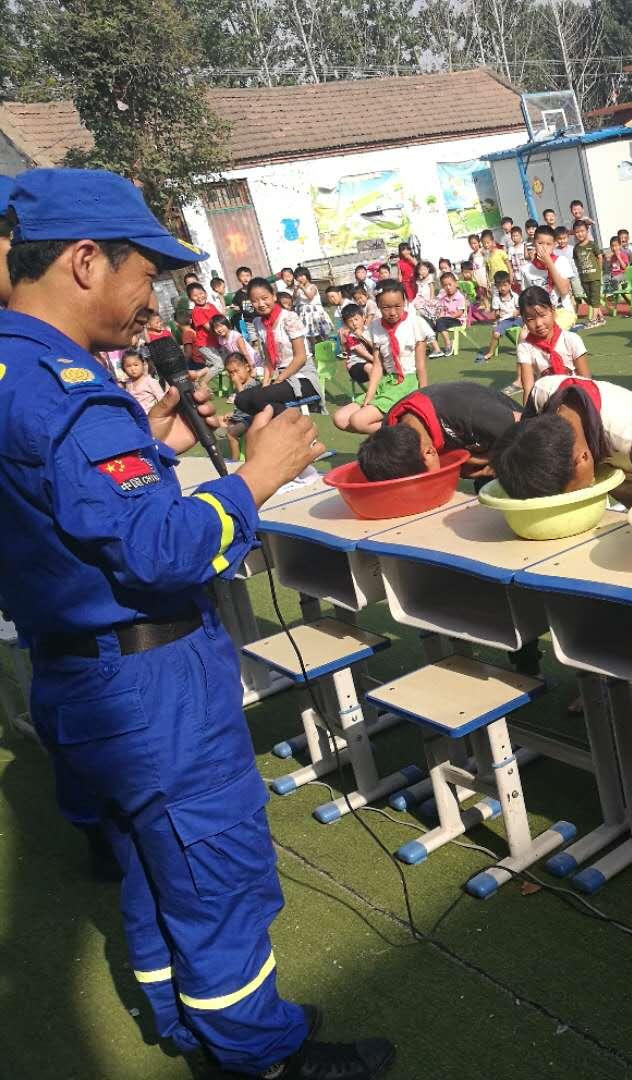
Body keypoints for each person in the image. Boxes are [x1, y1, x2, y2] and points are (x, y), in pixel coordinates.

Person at [0, 167, 388, 1077]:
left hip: (79, 672)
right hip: (147, 685)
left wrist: (158, 445)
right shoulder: (64, 389)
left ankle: (187, 1023)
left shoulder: (17, 371)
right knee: (216, 877)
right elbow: (162, 552)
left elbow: (67, 511)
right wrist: (256, 476)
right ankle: (262, 1054)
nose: (154, 301)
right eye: (146, 275)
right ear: (86, 262)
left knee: (151, 861)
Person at [490, 375, 632, 508]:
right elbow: (524, 445)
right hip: (622, 473)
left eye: (569, 493)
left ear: (583, 458)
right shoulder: (542, 394)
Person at [356, 382, 519, 482]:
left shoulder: (470, 413)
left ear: (429, 452)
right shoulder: (391, 428)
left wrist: (500, 462)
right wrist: (470, 462)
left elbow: (530, 429)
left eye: (423, 480)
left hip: (520, 442)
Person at [332, 279, 431, 435]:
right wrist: (370, 394)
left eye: (398, 306)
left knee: (358, 421)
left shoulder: (415, 323)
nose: (392, 312)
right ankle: (401, 430)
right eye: (386, 307)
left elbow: (421, 366)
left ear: (404, 302)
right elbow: (378, 366)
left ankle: (405, 431)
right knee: (340, 419)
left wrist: (424, 396)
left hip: (408, 382)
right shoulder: (376, 327)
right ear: (377, 305)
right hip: (387, 382)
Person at [235, 277, 321, 421]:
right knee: (241, 399)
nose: (261, 304)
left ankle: (294, 424)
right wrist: (266, 383)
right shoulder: (258, 322)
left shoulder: (289, 318)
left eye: (265, 298)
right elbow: (268, 359)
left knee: (258, 399)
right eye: (255, 301)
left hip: (302, 376)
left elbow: (300, 358)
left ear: (274, 296)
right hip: (278, 376)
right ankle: (283, 424)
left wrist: (279, 379)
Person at [514, 286, 591, 400]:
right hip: (546, 400)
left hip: (576, 399)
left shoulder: (572, 340)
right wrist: (526, 411)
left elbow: (586, 381)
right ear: (524, 320)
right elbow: (528, 388)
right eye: (530, 319)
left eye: (542, 315)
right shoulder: (525, 347)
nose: (538, 323)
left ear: (553, 311)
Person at [513, 224, 577, 331]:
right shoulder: (526, 269)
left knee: (550, 331)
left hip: (562, 311)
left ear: (554, 245)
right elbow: (527, 297)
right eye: (540, 243)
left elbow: (564, 291)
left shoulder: (561, 261)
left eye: (548, 244)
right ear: (534, 243)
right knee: (524, 335)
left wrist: (549, 263)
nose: (544, 247)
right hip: (538, 315)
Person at [185, 280, 225, 385]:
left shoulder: (211, 305)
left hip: (216, 341)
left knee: (221, 363)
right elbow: (209, 327)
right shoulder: (197, 311)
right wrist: (224, 332)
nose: (199, 297)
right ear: (190, 299)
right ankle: (202, 383)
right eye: (195, 296)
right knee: (219, 365)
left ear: (206, 293)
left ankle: (200, 375)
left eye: (201, 293)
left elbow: (221, 319)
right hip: (205, 344)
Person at [570, 219, 606, 328]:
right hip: (584, 278)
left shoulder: (592, 245)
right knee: (591, 300)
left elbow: (599, 257)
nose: (580, 234)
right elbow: (576, 261)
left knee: (595, 298)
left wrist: (599, 271)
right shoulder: (576, 248)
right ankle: (601, 318)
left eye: (582, 231)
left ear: (587, 231)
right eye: (577, 232)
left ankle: (593, 320)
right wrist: (580, 272)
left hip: (594, 277)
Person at [480, 271, 522, 363]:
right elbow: (496, 313)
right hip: (505, 320)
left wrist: (518, 312)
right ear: (496, 286)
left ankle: (526, 348)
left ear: (510, 285)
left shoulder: (515, 296)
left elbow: (520, 309)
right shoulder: (496, 299)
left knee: (528, 328)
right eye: (499, 286)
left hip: (518, 319)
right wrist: (497, 315)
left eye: (505, 285)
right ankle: (491, 352)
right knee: (496, 334)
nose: (502, 288)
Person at [338, 302, 383, 386]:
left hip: (372, 361)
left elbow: (376, 346)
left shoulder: (370, 330)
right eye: (350, 321)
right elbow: (364, 354)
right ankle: (377, 390)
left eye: (356, 319)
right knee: (371, 368)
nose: (354, 323)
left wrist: (363, 335)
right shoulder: (350, 337)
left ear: (363, 317)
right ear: (346, 323)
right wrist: (380, 362)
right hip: (356, 366)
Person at [429, 272, 469, 356]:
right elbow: (442, 310)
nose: (448, 287)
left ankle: (448, 344)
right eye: (445, 285)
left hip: (457, 320)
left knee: (440, 321)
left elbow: (460, 312)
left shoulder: (460, 297)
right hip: (446, 320)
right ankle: (436, 348)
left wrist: (448, 317)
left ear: (456, 283)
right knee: (432, 323)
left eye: (450, 284)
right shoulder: (444, 297)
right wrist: (439, 317)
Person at [291, 267, 331, 343]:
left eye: (302, 276)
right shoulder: (298, 289)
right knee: (311, 336)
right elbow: (294, 299)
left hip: (316, 314)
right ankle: (316, 348)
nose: (300, 278)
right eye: (297, 277)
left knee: (322, 334)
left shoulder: (313, 286)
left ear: (307, 275)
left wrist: (302, 288)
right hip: (305, 316)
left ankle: (328, 347)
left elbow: (310, 296)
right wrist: (296, 290)